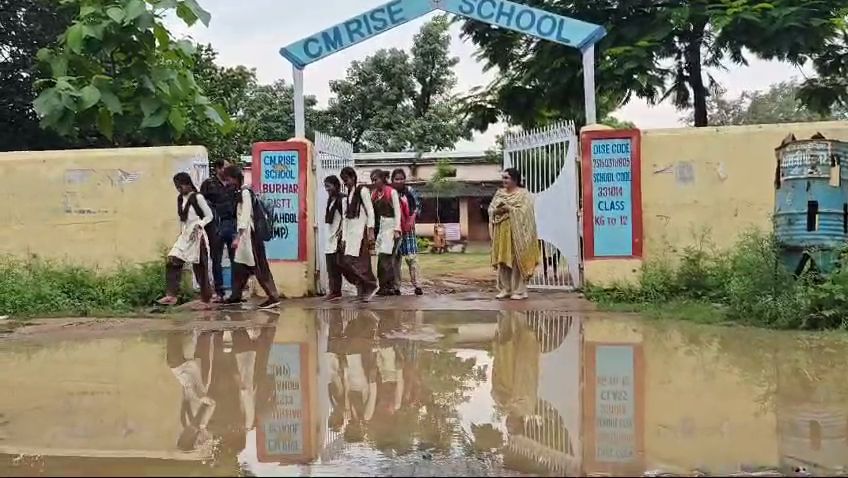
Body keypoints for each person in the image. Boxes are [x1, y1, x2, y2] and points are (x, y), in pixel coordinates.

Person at [221, 165, 281, 309]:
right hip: (245, 237)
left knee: (259, 267)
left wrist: (238, 237)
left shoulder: (245, 193)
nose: (227, 182)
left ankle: (273, 297)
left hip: (250, 236)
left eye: (228, 179)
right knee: (240, 267)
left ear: (235, 178)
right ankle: (236, 295)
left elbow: (246, 216)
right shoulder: (240, 192)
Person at [157, 173, 214, 308]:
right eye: (177, 187)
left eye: (180, 186)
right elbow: (183, 219)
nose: (179, 189)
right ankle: (171, 295)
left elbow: (209, 215)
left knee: (200, 267)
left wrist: (200, 224)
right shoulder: (180, 199)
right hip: (185, 235)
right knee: (173, 260)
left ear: (188, 184)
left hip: (198, 235)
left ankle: (206, 299)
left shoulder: (198, 197)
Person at [489, 168, 540, 300]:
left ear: (515, 179)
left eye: (506, 178)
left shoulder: (523, 194)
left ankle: (519, 290)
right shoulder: (499, 193)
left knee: (517, 260)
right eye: (503, 178)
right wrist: (497, 211)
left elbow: (526, 212)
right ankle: (506, 288)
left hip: (518, 234)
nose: (503, 181)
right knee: (503, 260)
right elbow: (491, 209)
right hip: (502, 232)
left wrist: (509, 209)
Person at [339, 166, 378, 302]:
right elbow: (345, 219)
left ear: (353, 178)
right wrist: (343, 238)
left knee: (361, 264)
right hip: (350, 234)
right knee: (346, 263)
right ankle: (361, 290)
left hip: (361, 232)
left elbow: (370, 211)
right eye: (343, 181)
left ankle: (371, 286)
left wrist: (371, 229)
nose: (345, 183)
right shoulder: (348, 196)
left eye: (346, 180)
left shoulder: (363, 191)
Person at [200, 159, 237, 302]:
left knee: (235, 259)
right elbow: (201, 202)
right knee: (217, 259)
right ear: (218, 169)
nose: (227, 170)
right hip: (216, 225)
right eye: (225, 167)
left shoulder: (233, 184)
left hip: (231, 224)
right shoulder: (209, 184)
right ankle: (219, 291)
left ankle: (235, 292)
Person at [390, 168, 424, 296]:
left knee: (412, 258)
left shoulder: (410, 191)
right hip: (395, 230)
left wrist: (411, 219)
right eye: (396, 179)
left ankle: (418, 285)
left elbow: (417, 206)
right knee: (395, 260)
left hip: (408, 230)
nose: (399, 181)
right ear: (392, 180)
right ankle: (396, 287)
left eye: (401, 178)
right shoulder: (391, 192)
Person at [370, 169, 402, 296]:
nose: (374, 182)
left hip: (391, 225)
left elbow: (398, 212)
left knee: (387, 258)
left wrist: (397, 229)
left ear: (383, 179)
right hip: (381, 228)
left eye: (376, 179)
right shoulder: (374, 194)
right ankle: (383, 285)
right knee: (381, 258)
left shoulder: (391, 192)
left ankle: (389, 286)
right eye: (372, 180)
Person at [323, 175, 346, 301]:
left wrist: (341, 235)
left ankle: (336, 290)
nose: (327, 189)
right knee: (331, 265)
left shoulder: (342, 199)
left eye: (329, 186)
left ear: (336, 185)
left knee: (339, 265)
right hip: (330, 235)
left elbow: (345, 219)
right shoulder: (330, 199)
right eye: (325, 186)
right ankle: (335, 291)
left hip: (337, 236)